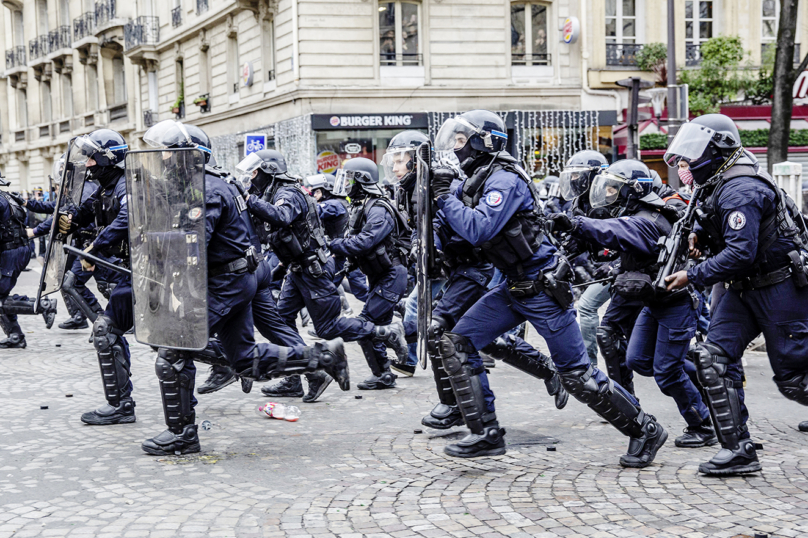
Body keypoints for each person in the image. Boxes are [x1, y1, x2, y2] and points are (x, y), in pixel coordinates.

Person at [428, 110, 667, 467]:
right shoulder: (476, 179)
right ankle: (486, 433)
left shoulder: (504, 180)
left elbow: (478, 229)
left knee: (578, 377)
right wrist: (427, 190)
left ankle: (645, 429)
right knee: (458, 342)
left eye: (462, 141)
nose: (457, 148)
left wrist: (445, 196)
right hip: (512, 286)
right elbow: (451, 224)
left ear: (485, 141)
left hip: (542, 289)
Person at [133, 121, 350, 456]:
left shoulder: (203, 188)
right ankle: (320, 356)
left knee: (172, 352)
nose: (159, 160)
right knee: (244, 361)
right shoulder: (213, 183)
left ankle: (182, 435)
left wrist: (153, 245)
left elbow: (193, 243)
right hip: (235, 280)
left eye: (164, 153)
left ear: (183, 156)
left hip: (225, 283)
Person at [664, 113, 808, 475]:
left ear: (718, 149)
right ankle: (739, 451)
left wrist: (692, 275)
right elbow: (718, 230)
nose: (688, 161)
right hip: (743, 286)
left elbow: (740, 251)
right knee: (712, 359)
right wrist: (699, 237)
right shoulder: (715, 183)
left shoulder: (742, 187)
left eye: (694, 152)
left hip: (780, 284)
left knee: (793, 379)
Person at [549, 159, 715, 449]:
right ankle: (699, 377)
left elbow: (615, 231)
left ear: (632, 191)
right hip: (654, 303)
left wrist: (577, 223)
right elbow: (615, 242)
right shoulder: (638, 213)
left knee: (666, 371)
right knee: (638, 359)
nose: (608, 194)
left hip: (677, 303)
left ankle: (701, 424)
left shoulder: (647, 219)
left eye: (614, 189)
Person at [237, 151, 408, 393]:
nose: (252, 178)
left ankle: (387, 333)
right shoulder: (273, 193)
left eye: (255, 172)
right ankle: (300, 375)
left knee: (328, 328)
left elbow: (283, 217)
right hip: (298, 270)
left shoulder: (288, 193)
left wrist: (249, 199)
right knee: (279, 320)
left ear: (269, 171)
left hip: (317, 271)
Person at [57, 129, 137, 425]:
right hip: (129, 271)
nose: (88, 163)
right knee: (108, 330)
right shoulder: (106, 189)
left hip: (143, 271)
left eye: (92, 157)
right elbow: (84, 213)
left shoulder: (127, 186)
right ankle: (121, 405)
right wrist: (67, 222)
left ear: (107, 159)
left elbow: (126, 219)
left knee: (172, 341)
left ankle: (234, 360)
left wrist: (94, 247)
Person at [328, 157, 411, 389]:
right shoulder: (363, 204)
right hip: (380, 276)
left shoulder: (378, 208)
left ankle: (387, 364)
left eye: (350, 179)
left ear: (362, 180)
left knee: (365, 325)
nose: (346, 185)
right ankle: (384, 374)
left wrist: (333, 245)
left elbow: (365, 242)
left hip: (391, 276)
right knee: (375, 328)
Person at [558, 150, 611, 368]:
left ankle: (588, 366)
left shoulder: (610, 200)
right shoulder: (579, 203)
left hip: (624, 267)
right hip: (602, 266)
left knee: (587, 306)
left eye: (578, 175)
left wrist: (614, 265)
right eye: (571, 175)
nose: (573, 179)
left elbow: (629, 235)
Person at [0, 171, 57, 349]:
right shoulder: (7, 196)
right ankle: (15, 335)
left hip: (12, 252)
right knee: (1, 295)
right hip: (17, 249)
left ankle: (42, 305)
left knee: (0, 297)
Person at [307, 172, 369, 310]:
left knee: (360, 290)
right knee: (327, 286)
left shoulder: (334, 204)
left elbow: (315, 211)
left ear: (326, 190)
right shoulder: (337, 202)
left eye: (317, 192)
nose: (314, 196)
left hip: (348, 255)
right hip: (339, 253)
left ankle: (395, 306)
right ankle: (330, 320)